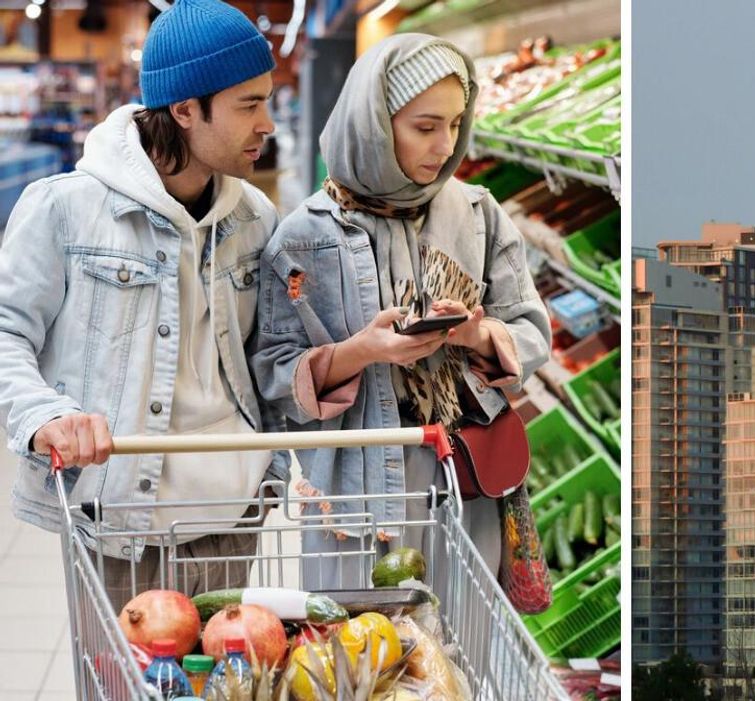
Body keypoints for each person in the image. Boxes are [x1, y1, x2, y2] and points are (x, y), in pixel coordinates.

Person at [0, 0, 288, 608]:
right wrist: (44, 416)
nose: (268, 124)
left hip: (236, 518)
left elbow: (269, 355)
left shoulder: (254, 218)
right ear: (185, 109)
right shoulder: (64, 210)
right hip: (125, 526)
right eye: (249, 104)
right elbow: (6, 331)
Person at [251, 33, 551, 587]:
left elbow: (531, 329)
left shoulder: (478, 215)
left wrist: (477, 336)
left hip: (465, 484)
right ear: (373, 124)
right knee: (362, 657)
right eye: (424, 126)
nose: (445, 145)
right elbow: (272, 370)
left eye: (456, 124)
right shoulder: (303, 238)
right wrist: (359, 352)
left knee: (459, 660)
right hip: (358, 499)